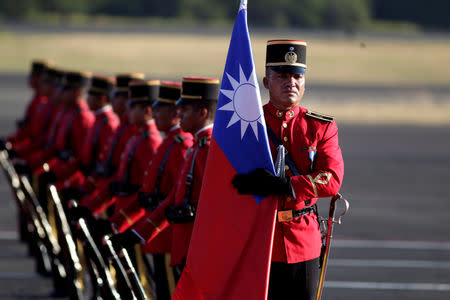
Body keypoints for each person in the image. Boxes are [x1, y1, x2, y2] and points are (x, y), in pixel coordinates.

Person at [232, 39, 344, 300]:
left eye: (296, 76)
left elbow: (331, 179)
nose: (290, 82)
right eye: (281, 75)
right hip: (258, 239)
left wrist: (287, 186)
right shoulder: (249, 126)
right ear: (266, 81)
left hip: (303, 241)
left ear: (304, 82)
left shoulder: (321, 127)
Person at [111, 76, 219, 284]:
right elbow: (174, 197)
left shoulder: (204, 148)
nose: (179, 115)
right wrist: (137, 232)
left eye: (185, 110)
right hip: (177, 240)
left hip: (187, 243)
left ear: (202, 113)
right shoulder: (196, 146)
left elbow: (211, 205)